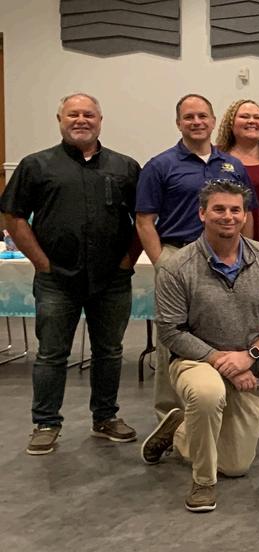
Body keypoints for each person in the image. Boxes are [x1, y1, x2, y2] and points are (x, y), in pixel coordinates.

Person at [141, 180, 259, 511]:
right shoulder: (176, 267)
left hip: (249, 367)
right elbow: (170, 330)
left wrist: (250, 356)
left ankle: (180, 430)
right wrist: (221, 361)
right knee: (208, 394)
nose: (228, 216)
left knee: (236, 466)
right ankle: (203, 483)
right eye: (219, 209)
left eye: (235, 210)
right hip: (194, 361)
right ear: (202, 213)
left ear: (245, 215)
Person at [0, 93, 141, 455]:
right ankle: (46, 423)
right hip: (56, 280)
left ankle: (105, 417)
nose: (81, 120)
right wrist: (41, 263)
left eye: (88, 114)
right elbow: (13, 216)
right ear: (60, 119)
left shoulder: (125, 167)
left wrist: (128, 261)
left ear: (100, 120)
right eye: (73, 114)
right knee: (51, 354)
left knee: (109, 351)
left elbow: (143, 217)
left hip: (111, 279)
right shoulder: (36, 165)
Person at [137, 93, 257, 420]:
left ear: (213, 121)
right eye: (189, 117)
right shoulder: (160, 166)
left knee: (229, 329)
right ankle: (170, 416)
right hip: (179, 256)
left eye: (202, 116)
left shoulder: (232, 166)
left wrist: (247, 257)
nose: (196, 122)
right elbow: (144, 220)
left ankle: (220, 404)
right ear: (178, 123)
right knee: (173, 336)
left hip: (228, 259)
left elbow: (246, 214)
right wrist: (163, 263)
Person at [216, 98, 259, 241]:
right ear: (231, 123)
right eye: (244, 116)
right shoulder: (216, 157)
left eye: (257, 117)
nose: (251, 121)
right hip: (224, 240)